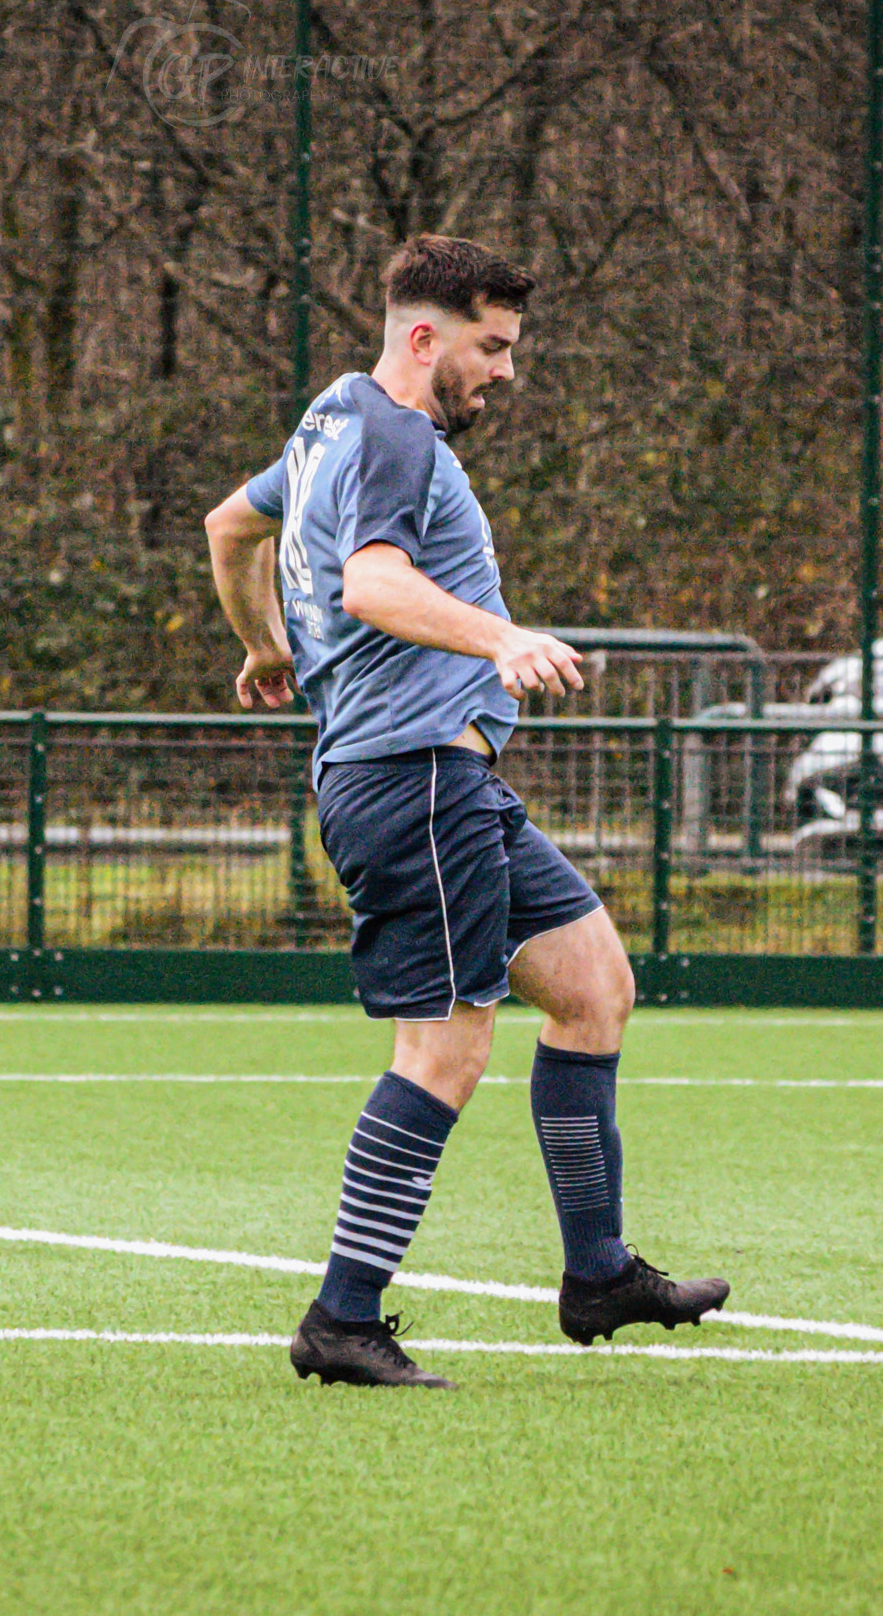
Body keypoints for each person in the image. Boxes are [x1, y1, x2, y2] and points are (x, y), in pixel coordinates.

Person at [204, 235, 730, 1388]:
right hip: (411, 780)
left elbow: (226, 529)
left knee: (594, 988)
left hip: (450, 781)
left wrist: (263, 647)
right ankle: (341, 1318)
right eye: (491, 347)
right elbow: (372, 584)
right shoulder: (391, 431)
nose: (505, 371)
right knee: (448, 1047)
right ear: (425, 336)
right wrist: (505, 635)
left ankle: (598, 1273)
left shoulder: (328, 419)